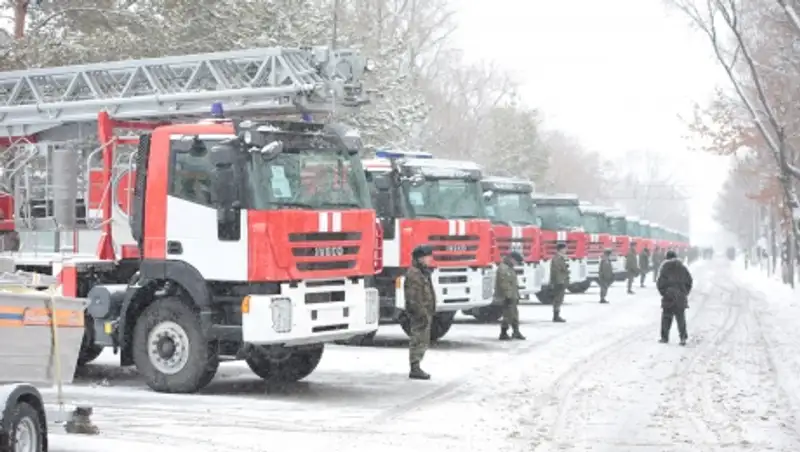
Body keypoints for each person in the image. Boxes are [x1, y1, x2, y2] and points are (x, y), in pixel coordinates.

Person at [404, 245, 436, 380]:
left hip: (424, 311)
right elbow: (414, 297)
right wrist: (421, 312)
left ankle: (417, 365)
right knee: (418, 338)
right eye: (428, 257)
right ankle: (415, 367)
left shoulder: (422, 272)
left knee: (422, 339)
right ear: (420, 258)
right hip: (419, 312)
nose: (430, 260)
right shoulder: (414, 274)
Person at [657, 250, 693, 346]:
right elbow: (689, 281)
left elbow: (660, 283)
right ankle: (683, 338)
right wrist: (684, 292)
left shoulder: (664, 268)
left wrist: (664, 292)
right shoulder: (683, 268)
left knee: (666, 317)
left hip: (668, 296)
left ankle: (664, 337)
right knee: (680, 318)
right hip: (680, 297)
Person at [495, 251, 525, 340]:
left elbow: (513, 284)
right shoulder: (503, 268)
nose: (516, 264)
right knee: (508, 315)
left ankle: (516, 331)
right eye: (516, 262)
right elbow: (504, 284)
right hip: (507, 296)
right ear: (511, 259)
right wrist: (508, 296)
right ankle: (503, 333)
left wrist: (516, 295)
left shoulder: (509, 267)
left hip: (512, 295)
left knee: (514, 314)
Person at [549, 242, 569, 323]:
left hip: (560, 281)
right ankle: (556, 316)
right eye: (565, 248)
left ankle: (556, 315)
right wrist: (559, 281)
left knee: (559, 299)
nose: (566, 250)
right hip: (558, 282)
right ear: (560, 249)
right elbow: (556, 271)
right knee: (558, 299)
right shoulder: (557, 259)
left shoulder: (561, 258)